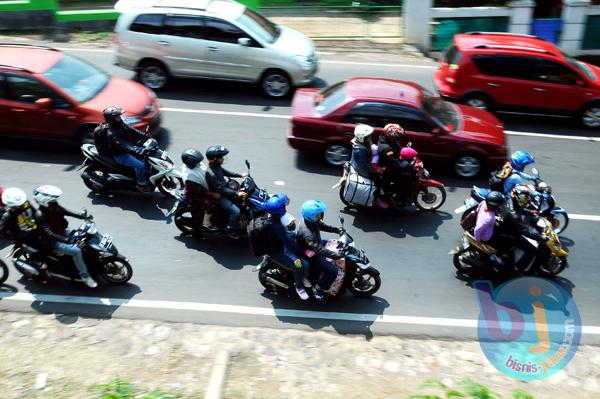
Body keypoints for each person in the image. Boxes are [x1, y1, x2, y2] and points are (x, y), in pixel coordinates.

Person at [32, 185, 97, 288]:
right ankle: (85, 276)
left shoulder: (53, 207)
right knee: (76, 251)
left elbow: (66, 211)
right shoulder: (40, 215)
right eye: (53, 200)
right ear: (45, 201)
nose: (55, 201)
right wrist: (66, 239)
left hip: (62, 232)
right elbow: (49, 234)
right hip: (53, 241)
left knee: (82, 238)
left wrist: (81, 216)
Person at [475, 191, 541, 272]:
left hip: (502, 227)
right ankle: (518, 269)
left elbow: (519, 208)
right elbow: (524, 230)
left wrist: (530, 212)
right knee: (532, 250)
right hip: (505, 233)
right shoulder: (511, 215)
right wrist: (540, 237)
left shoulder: (509, 201)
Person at [265, 194, 310, 300]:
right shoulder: (277, 227)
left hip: (283, 244)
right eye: (283, 206)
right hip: (280, 252)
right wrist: (305, 251)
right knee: (299, 265)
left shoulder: (272, 216)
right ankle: (299, 287)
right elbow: (289, 244)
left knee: (306, 264)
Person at [296, 200, 341, 301]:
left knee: (335, 243)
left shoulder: (310, 220)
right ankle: (318, 288)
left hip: (315, 244)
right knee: (333, 272)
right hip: (311, 253)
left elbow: (322, 225)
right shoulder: (307, 232)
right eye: (319, 214)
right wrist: (334, 255)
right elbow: (318, 249)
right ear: (312, 216)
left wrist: (337, 229)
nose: (321, 215)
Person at [103, 106, 152, 193]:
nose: (120, 118)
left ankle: (145, 174)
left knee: (148, 154)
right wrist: (135, 151)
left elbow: (132, 131)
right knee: (140, 166)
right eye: (117, 117)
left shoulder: (120, 124)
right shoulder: (111, 134)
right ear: (112, 120)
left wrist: (145, 136)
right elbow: (122, 146)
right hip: (120, 155)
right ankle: (141, 184)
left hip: (129, 148)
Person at [205, 145, 248, 239]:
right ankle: (230, 228)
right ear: (215, 159)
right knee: (236, 211)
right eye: (221, 157)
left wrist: (240, 175)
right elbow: (220, 189)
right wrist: (237, 193)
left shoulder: (217, 167)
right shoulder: (211, 173)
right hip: (219, 196)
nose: (223, 159)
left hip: (225, 190)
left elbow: (227, 172)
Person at [349, 124, 388, 209]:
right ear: (362, 138)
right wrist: (375, 171)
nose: (370, 138)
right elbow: (364, 165)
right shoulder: (361, 150)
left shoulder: (357, 142)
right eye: (368, 137)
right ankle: (378, 199)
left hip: (358, 164)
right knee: (378, 179)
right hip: (361, 169)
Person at [181, 148, 218, 232]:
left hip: (199, 189)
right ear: (191, 163)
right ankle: (205, 223)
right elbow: (201, 191)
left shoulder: (197, 164)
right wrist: (213, 194)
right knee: (211, 203)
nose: (199, 163)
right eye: (196, 162)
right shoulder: (190, 177)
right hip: (194, 196)